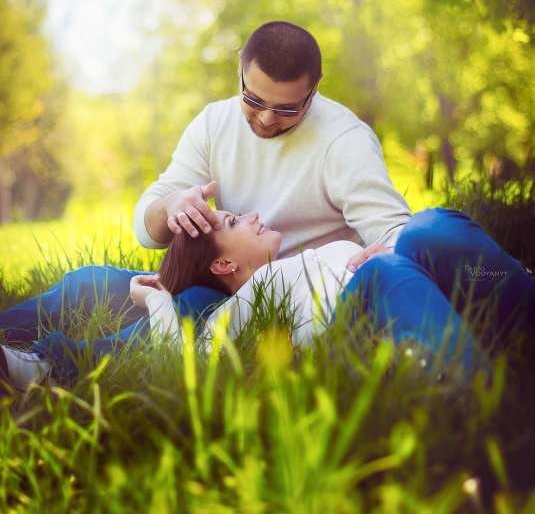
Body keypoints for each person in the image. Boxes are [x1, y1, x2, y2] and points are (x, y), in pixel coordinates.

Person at [0, 21, 413, 357]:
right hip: (221, 276)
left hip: (274, 301)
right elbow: (146, 228)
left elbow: (397, 232)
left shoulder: (344, 141)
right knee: (88, 283)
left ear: (317, 85)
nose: (268, 119)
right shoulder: (215, 123)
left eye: (288, 108)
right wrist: (173, 205)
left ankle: (47, 365)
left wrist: (383, 256)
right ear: (240, 67)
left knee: (188, 308)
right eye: (253, 100)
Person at [2, 206, 534, 390]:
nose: (252, 215)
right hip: (379, 311)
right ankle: (467, 394)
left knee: (425, 231)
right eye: (234, 221)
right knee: (387, 271)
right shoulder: (243, 311)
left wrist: (384, 244)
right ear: (225, 265)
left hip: (440, 289)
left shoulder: (331, 250)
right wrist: (157, 304)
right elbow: (184, 359)